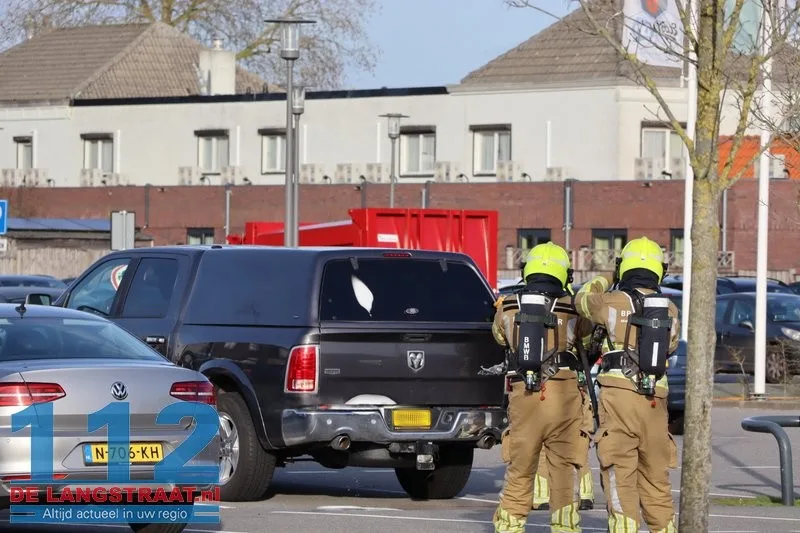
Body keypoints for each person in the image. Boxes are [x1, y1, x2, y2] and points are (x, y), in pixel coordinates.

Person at [573, 236, 680, 533]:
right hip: (656, 399)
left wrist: (603, 279)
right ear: (660, 270)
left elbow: (581, 301)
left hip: (619, 396)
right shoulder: (669, 309)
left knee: (620, 469)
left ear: (625, 267)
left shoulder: (612, 301)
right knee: (656, 478)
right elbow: (669, 349)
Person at [492, 242, 594, 533]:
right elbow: (586, 343)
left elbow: (500, 338)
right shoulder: (573, 309)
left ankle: (510, 527)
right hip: (564, 395)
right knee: (562, 471)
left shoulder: (509, 305)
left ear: (528, 271)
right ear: (565, 273)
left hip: (524, 395)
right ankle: (565, 527)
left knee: (520, 470)